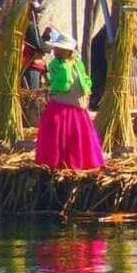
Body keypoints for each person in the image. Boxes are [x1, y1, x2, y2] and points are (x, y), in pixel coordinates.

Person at [35, 33, 105, 170]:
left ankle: (81, 163)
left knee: (77, 137)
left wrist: (86, 88)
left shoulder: (77, 63)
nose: (54, 50)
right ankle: (57, 163)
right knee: (59, 136)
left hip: (77, 106)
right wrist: (65, 64)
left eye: (58, 48)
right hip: (61, 106)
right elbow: (60, 80)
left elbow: (84, 78)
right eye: (55, 47)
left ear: (67, 50)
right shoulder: (55, 64)